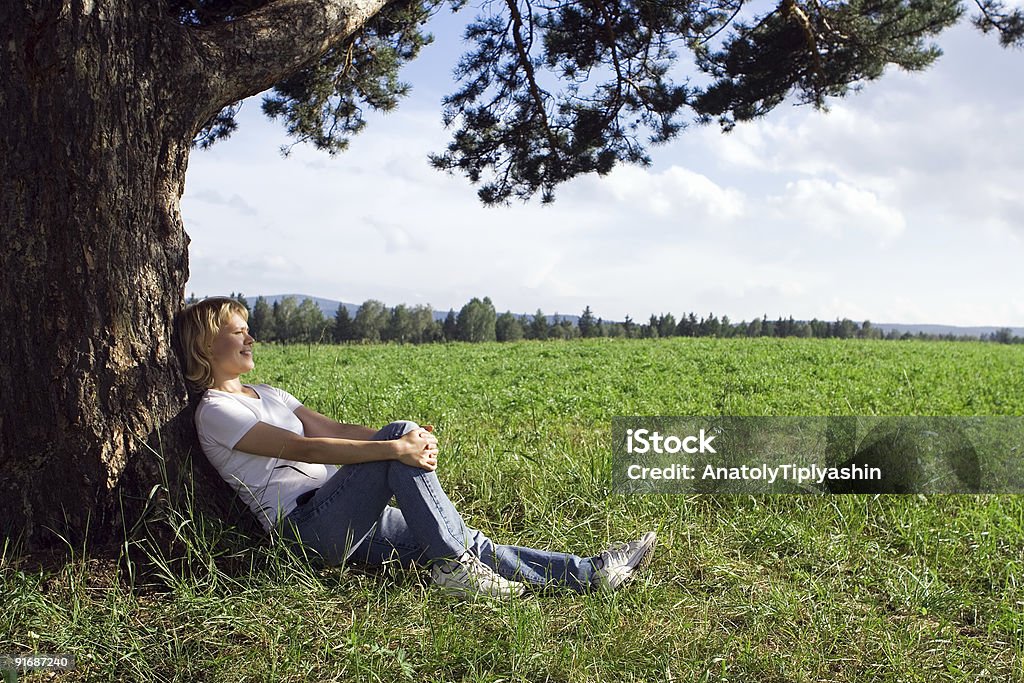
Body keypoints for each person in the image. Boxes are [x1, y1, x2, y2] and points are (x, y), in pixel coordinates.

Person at [178, 296, 656, 598]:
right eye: (238, 330)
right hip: (305, 530)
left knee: (466, 541)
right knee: (414, 471)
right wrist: (394, 448)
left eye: (248, 328)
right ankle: (453, 568)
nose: (251, 337)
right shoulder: (215, 410)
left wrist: (406, 442)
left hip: (347, 510)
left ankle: (591, 574)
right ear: (205, 343)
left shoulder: (270, 395)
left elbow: (335, 429)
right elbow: (305, 449)